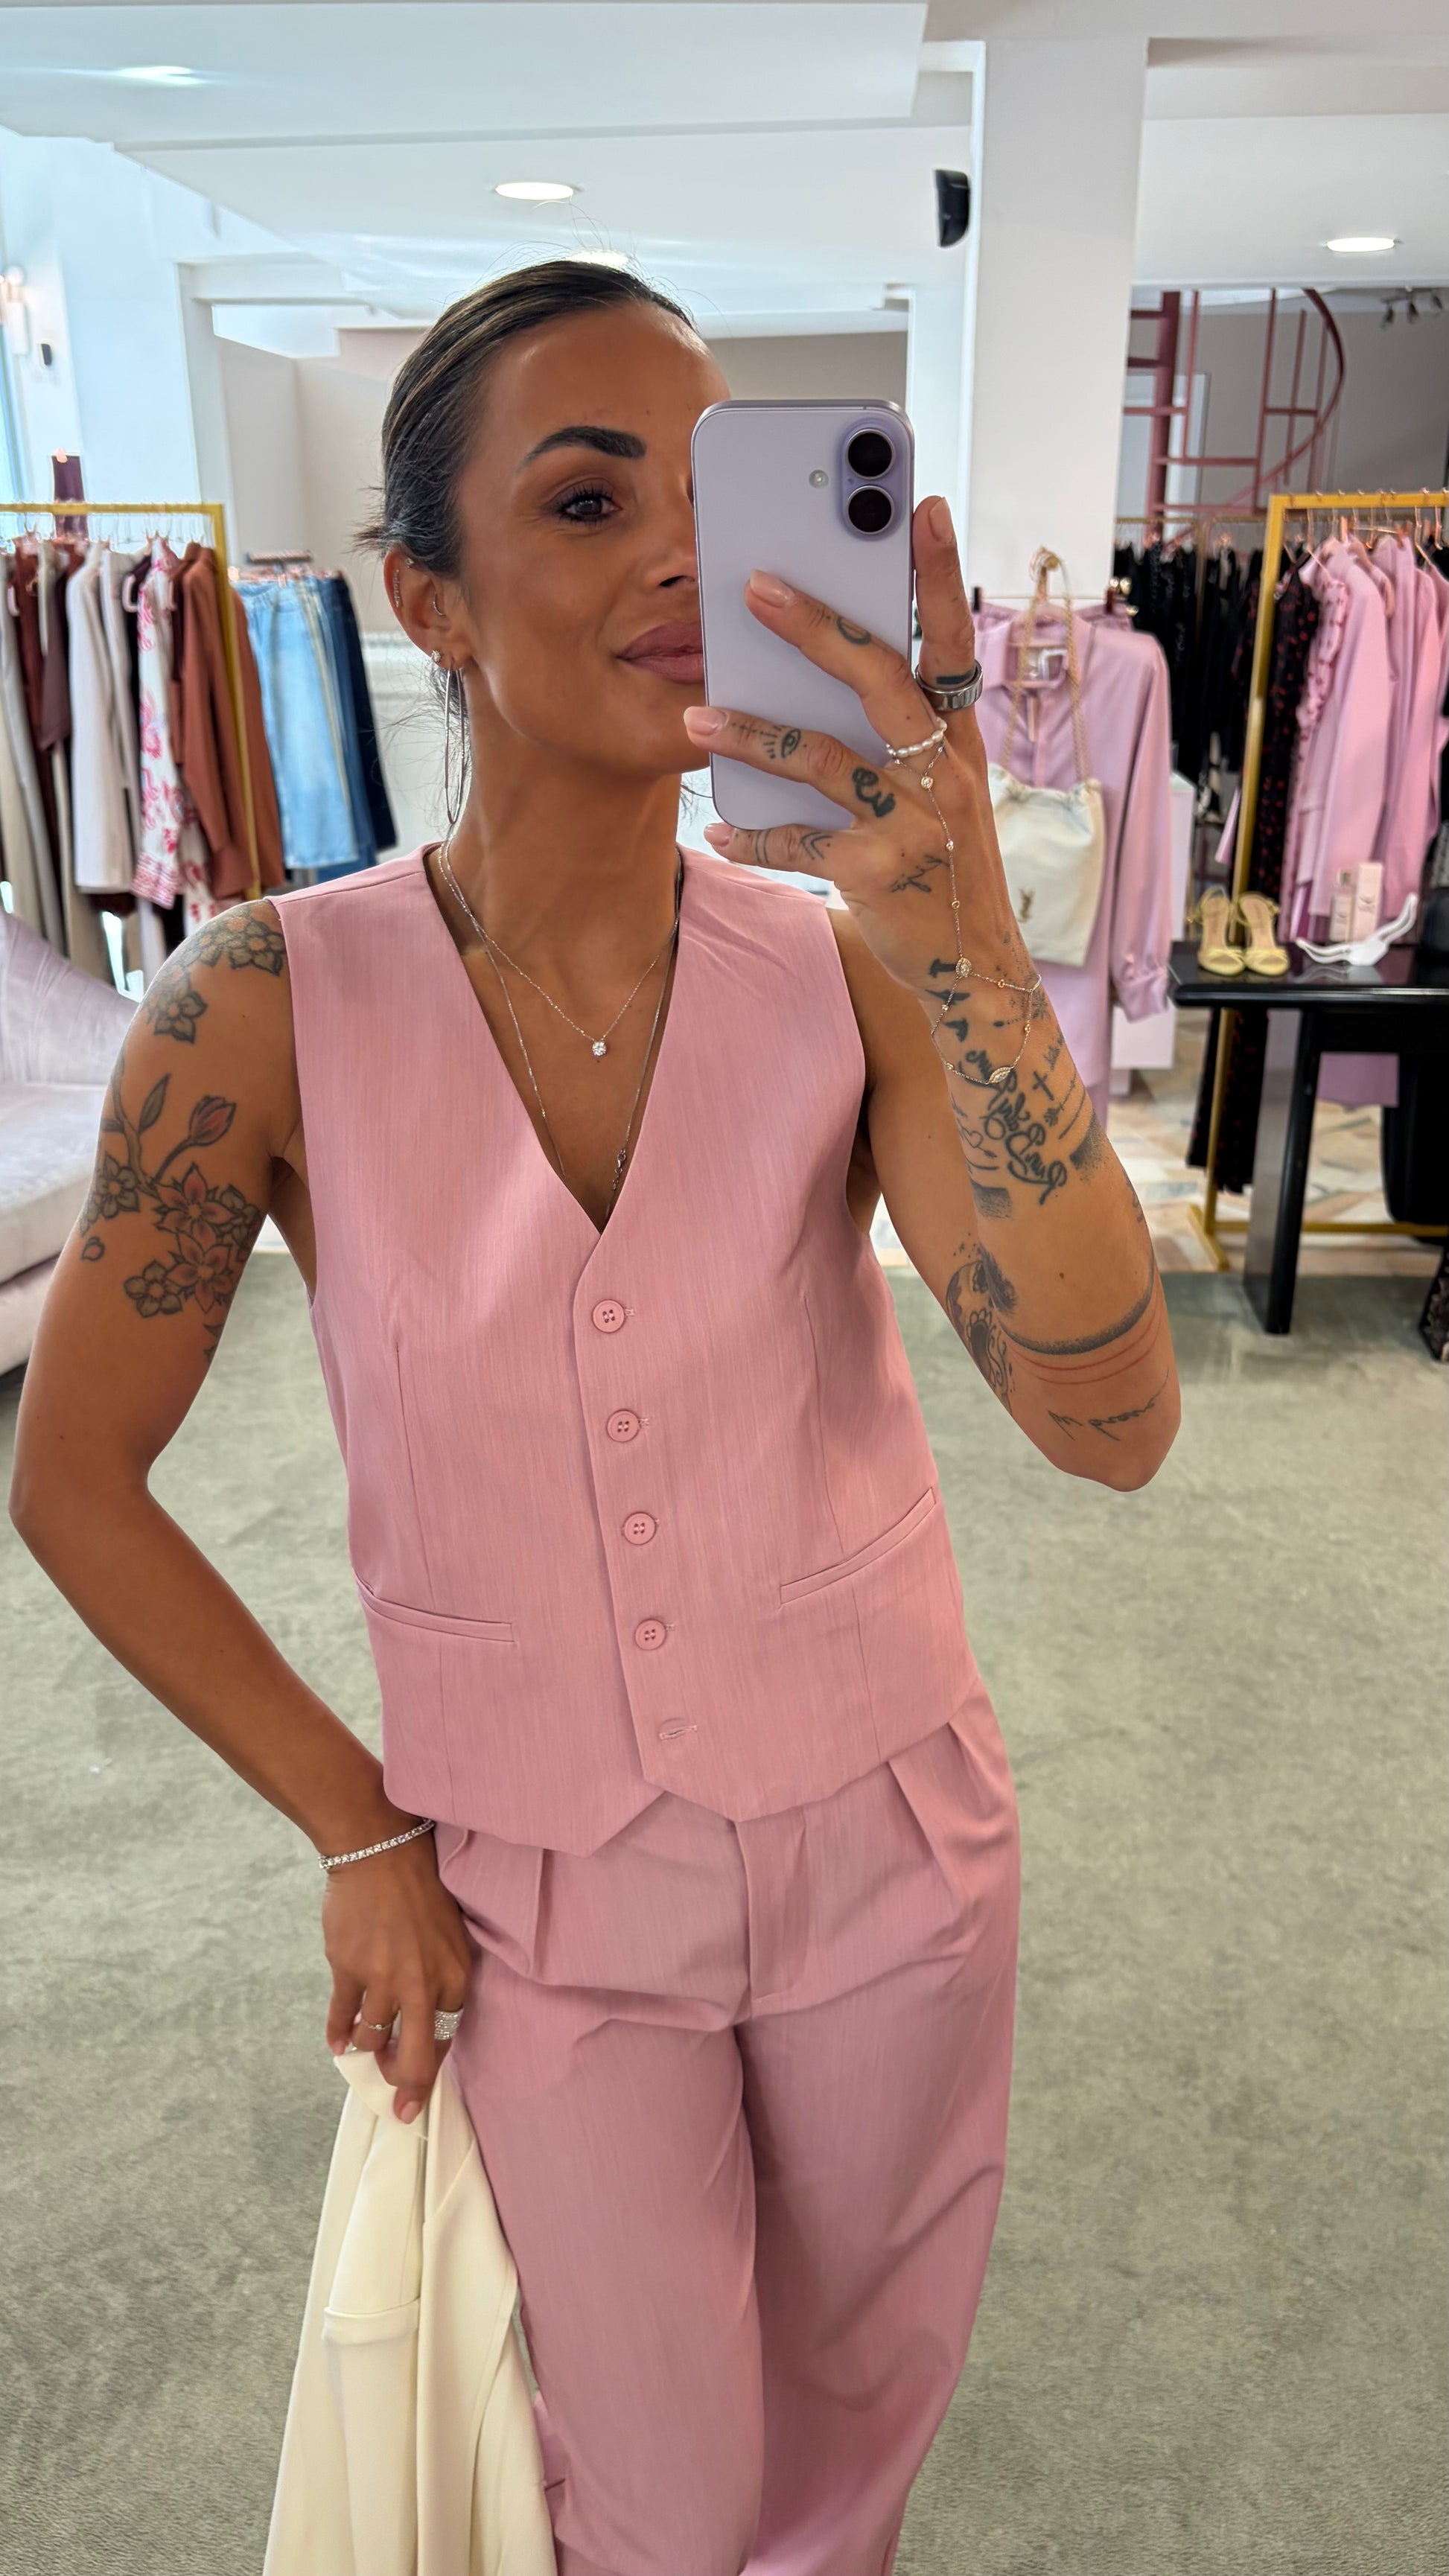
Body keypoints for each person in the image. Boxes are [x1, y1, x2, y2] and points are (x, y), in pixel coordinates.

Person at [10, 261, 1179, 2576]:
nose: (678, 558)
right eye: (585, 498)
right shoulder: (260, 1002)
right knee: (653, 2481)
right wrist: (351, 1824)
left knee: (855, 2423)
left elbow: (1113, 1419)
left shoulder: (842, 961)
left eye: (720, 497)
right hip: (534, 1881)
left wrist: (958, 931)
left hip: (890, 1831)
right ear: (424, 598)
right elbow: (72, 1477)